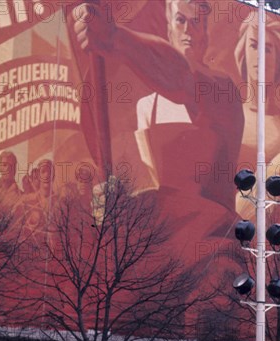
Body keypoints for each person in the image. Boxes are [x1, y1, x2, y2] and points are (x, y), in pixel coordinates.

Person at [73, 0, 244, 212]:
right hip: (162, 234)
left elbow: (180, 77)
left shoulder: (223, 91)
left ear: (205, 33)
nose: (188, 29)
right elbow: (149, 186)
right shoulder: (146, 107)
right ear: (168, 29)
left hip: (211, 233)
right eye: (180, 20)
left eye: (196, 22)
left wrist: (114, 38)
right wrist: (118, 203)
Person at [234, 18, 280, 168]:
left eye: (267, 49)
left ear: (279, 60)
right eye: (254, 46)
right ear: (243, 52)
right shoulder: (227, 120)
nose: (260, 56)